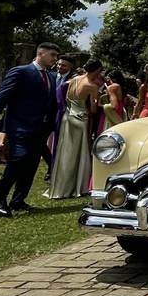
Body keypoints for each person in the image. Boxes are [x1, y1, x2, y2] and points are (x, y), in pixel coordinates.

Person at [0, 43, 60, 217]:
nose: (55, 59)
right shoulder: (21, 72)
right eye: (52, 55)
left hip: (41, 129)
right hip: (21, 128)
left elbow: (51, 104)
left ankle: (18, 201)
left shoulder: (52, 77)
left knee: (31, 166)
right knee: (17, 162)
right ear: (41, 53)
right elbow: (1, 96)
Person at [45, 59, 102, 199]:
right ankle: (78, 186)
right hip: (81, 119)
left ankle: (61, 185)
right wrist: (97, 102)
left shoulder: (74, 79)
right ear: (96, 70)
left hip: (68, 117)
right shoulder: (92, 86)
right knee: (79, 153)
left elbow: (64, 95)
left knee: (65, 152)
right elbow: (93, 109)